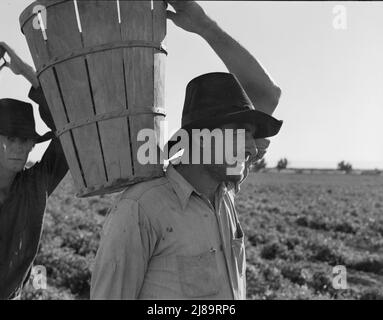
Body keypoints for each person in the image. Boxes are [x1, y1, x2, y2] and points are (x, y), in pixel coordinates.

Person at [90, 1, 283, 300]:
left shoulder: (225, 189)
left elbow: (269, 94)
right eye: (239, 133)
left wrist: (205, 26)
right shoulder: (140, 210)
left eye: (252, 134)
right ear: (200, 140)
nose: (250, 148)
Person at [0, 42, 68, 299]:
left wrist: (26, 72)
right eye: (9, 138)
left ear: (32, 145)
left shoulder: (36, 184)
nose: (18, 147)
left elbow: (68, 123)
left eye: (25, 139)